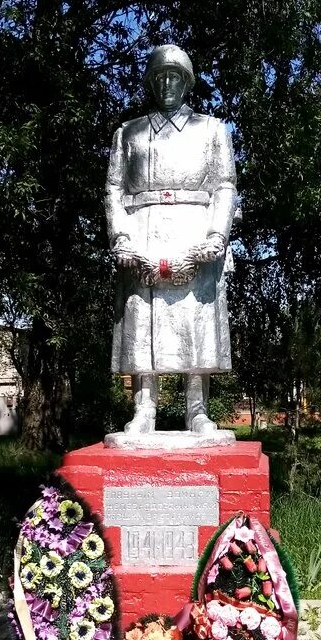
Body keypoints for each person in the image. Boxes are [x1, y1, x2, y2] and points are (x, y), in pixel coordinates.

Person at [105, 44, 237, 436]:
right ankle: (144, 408)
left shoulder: (212, 130)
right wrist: (121, 236)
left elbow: (225, 186)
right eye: (160, 76)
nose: (167, 83)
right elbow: (113, 188)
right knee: (143, 318)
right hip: (143, 227)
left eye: (175, 75)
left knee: (194, 317)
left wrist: (216, 235)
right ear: (150, 81)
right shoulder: (128, 133)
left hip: (194, 227)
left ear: (187, 81)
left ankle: (197, 409)